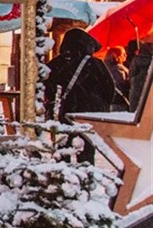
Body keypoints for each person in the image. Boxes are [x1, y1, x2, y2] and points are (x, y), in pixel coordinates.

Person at [44, 28, 114, 162]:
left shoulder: (57, 63)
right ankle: (86, 175)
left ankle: (63, 176)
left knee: (64, 145)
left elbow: (47, 85)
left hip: (67, 109)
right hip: (91, 112)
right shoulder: (95, 63)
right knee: (87, 148)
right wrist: (101, 104)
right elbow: (109, 88)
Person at [128, 36, 153, 113]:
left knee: (135, 110)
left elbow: (131, 73)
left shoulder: (137, 60)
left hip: (137, 87)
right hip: (149, 89)